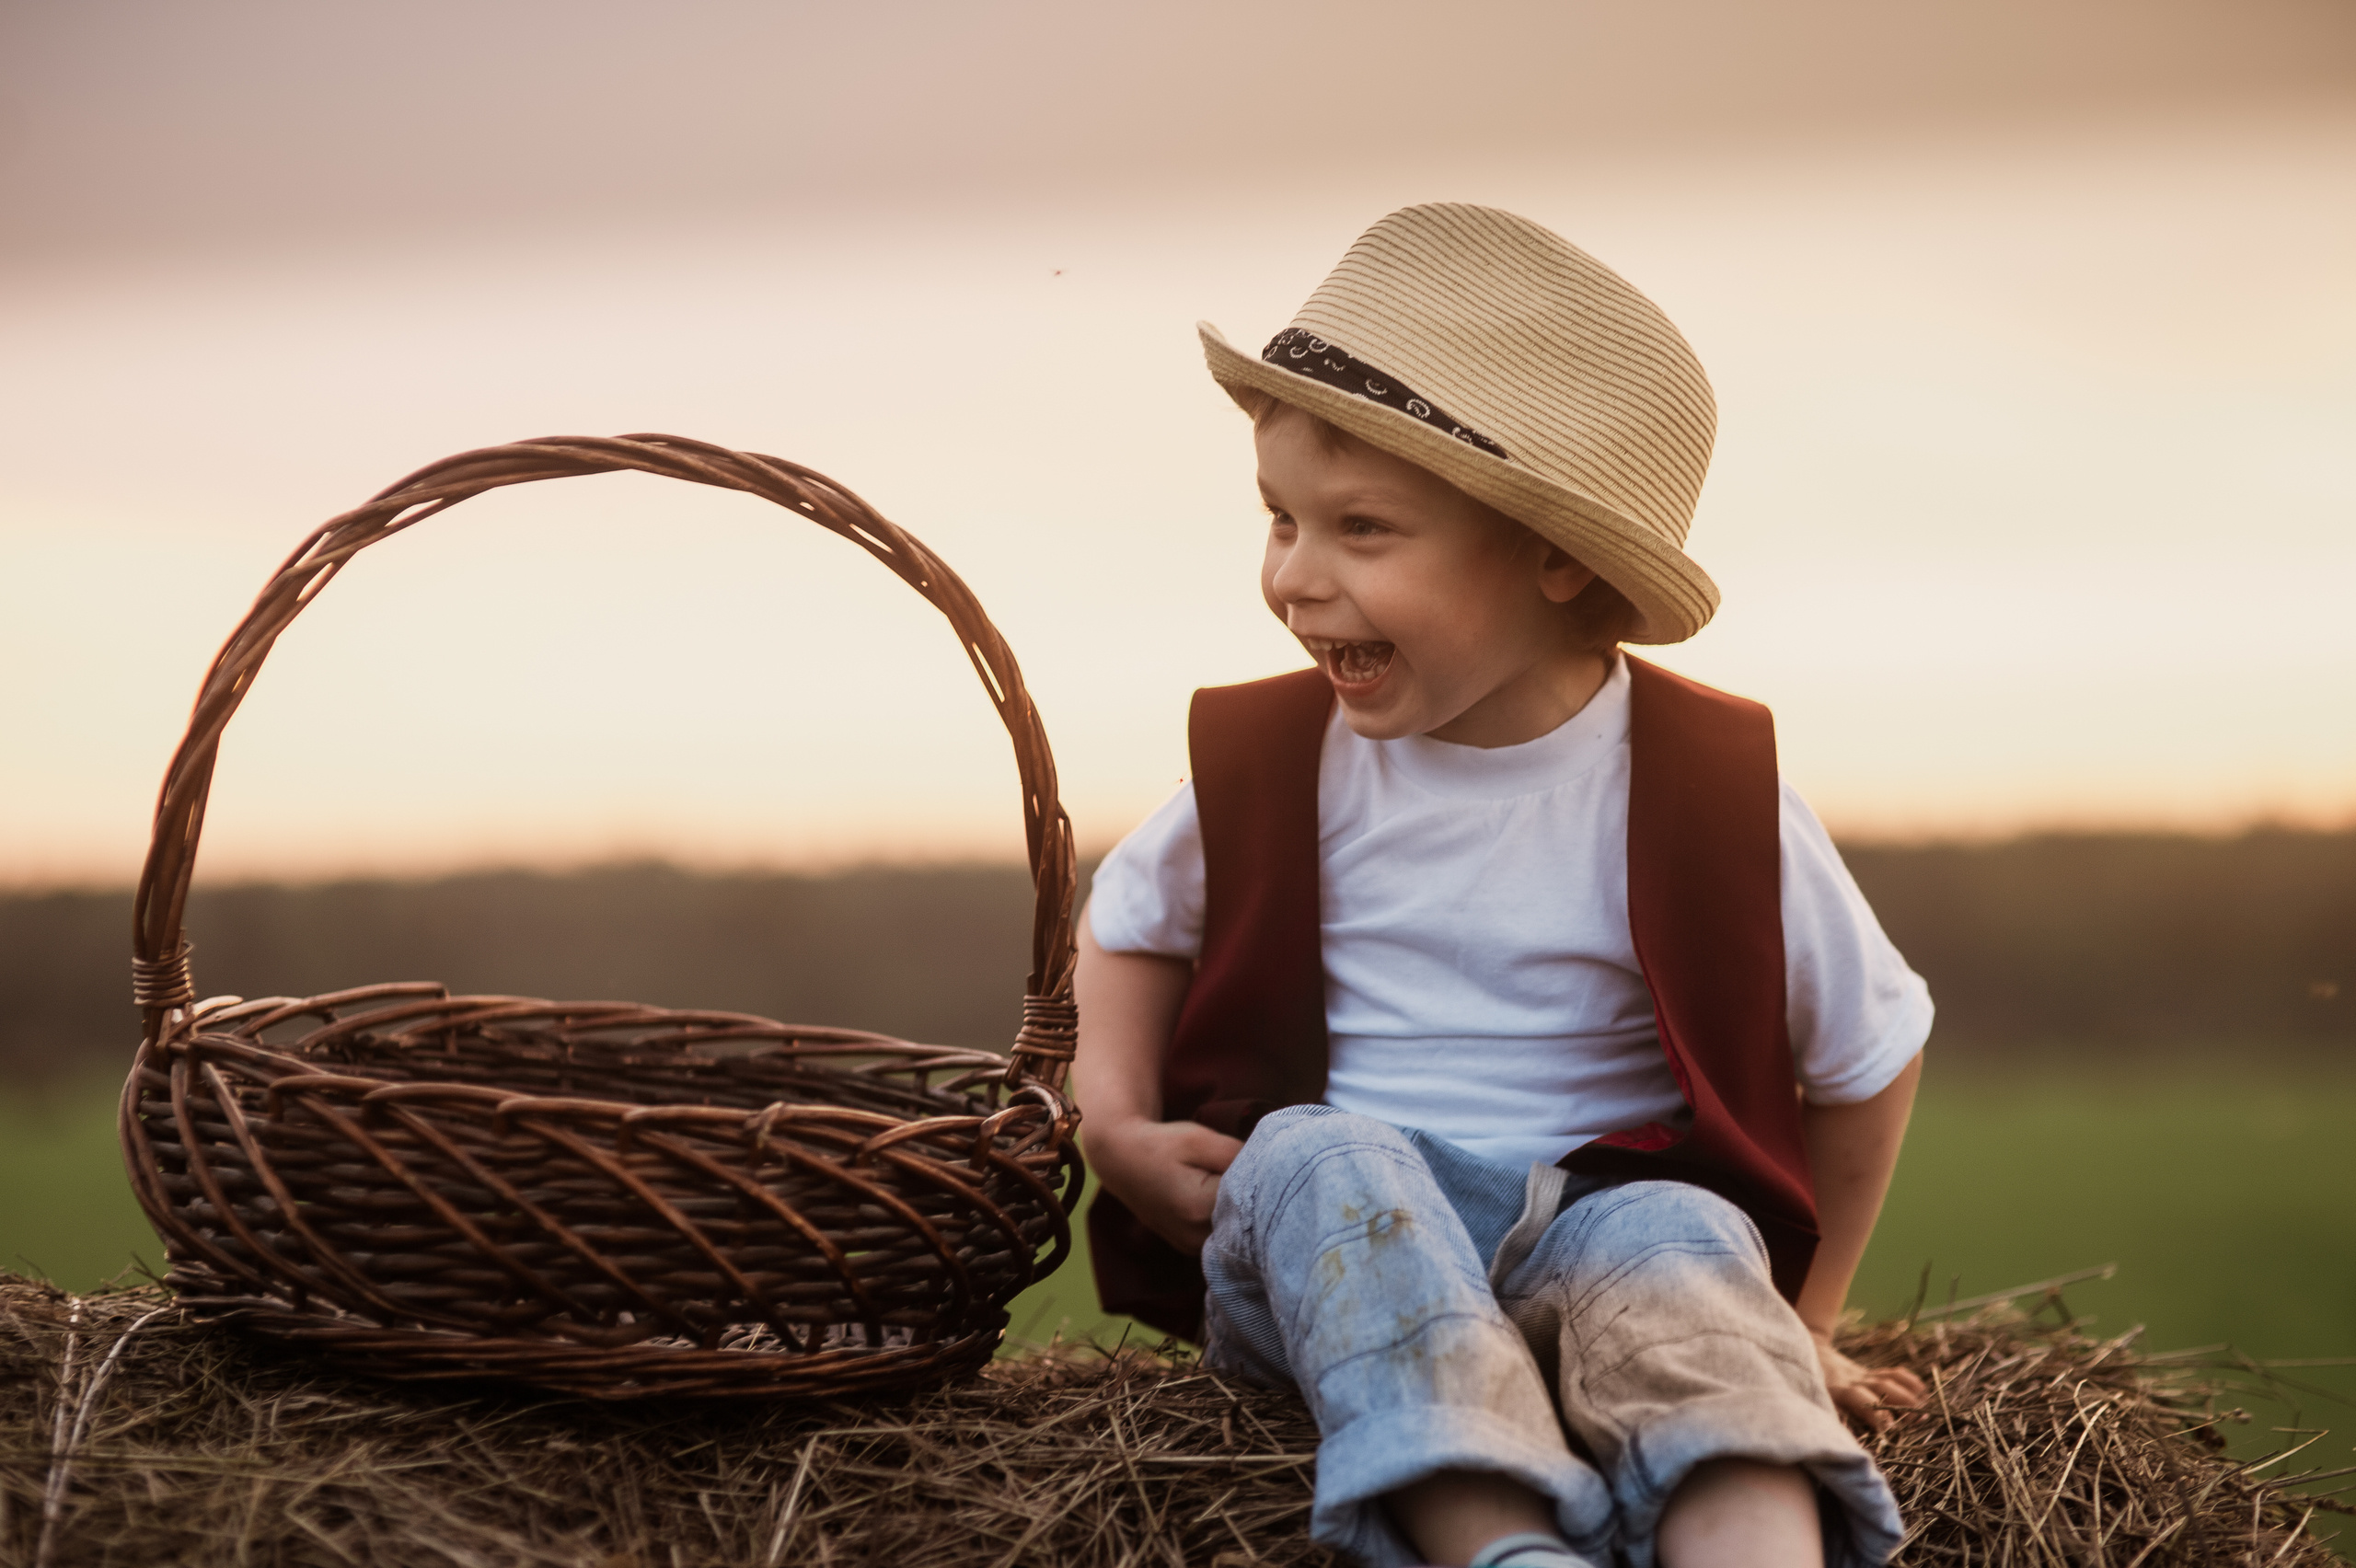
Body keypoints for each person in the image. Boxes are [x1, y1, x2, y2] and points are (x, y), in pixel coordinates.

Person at [1073, 203, 1933, 1568]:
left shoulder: (1708, 786)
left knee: (1688, 1245)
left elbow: (1871, 1048)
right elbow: (1126, 924)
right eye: (1279, 519)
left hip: (1600, 1222)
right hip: (1333, 1252)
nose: (1294, 578)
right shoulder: (1274, 760)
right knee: (1321, 1153)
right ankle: (1496, 1541)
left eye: (1361, 529)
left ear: (1556, 552)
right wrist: (1112, 1125)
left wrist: (1806, 1321)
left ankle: (1750, 1530)